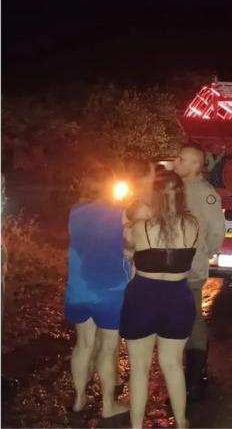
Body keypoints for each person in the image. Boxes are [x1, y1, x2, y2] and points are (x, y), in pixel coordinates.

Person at [120, 171, 199, 429]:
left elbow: (127, 252)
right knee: (173, 364)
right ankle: (181, 422)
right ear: (181, 194)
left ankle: (136, 426)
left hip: (143, 296)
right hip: (177, 298)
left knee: (139, 368)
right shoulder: (192, 225)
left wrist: (129, 226)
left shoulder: (140, 227)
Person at [64, 166, 131, 419]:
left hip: (79, 287)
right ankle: (108, 405)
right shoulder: (121, 213)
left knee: (83, 343)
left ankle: (79, 398)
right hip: (111, 290)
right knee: (107, 347)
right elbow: (129, 245)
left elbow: (77, 240)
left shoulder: (75, 212)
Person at [171, 143, 225, 401]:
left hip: (191, 269)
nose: (175, 162)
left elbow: (216, 231)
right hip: (169, 268)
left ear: (195, 164)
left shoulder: (205, 193)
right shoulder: (173, 188)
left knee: (193, 320)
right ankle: (182, 373)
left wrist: (203, 253)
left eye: (181, 159)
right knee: (176, 319)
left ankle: (194, 378)